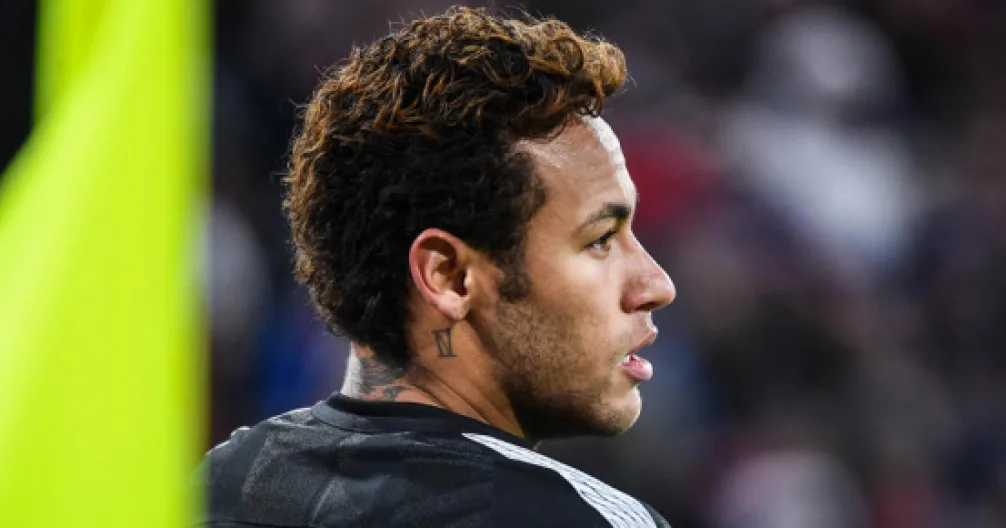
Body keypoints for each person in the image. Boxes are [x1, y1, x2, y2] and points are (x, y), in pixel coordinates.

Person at [201, 6, 677, 527]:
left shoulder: (206, 492)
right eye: (601, 239)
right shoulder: (579, 518)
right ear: (448, 277)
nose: (657, 285)